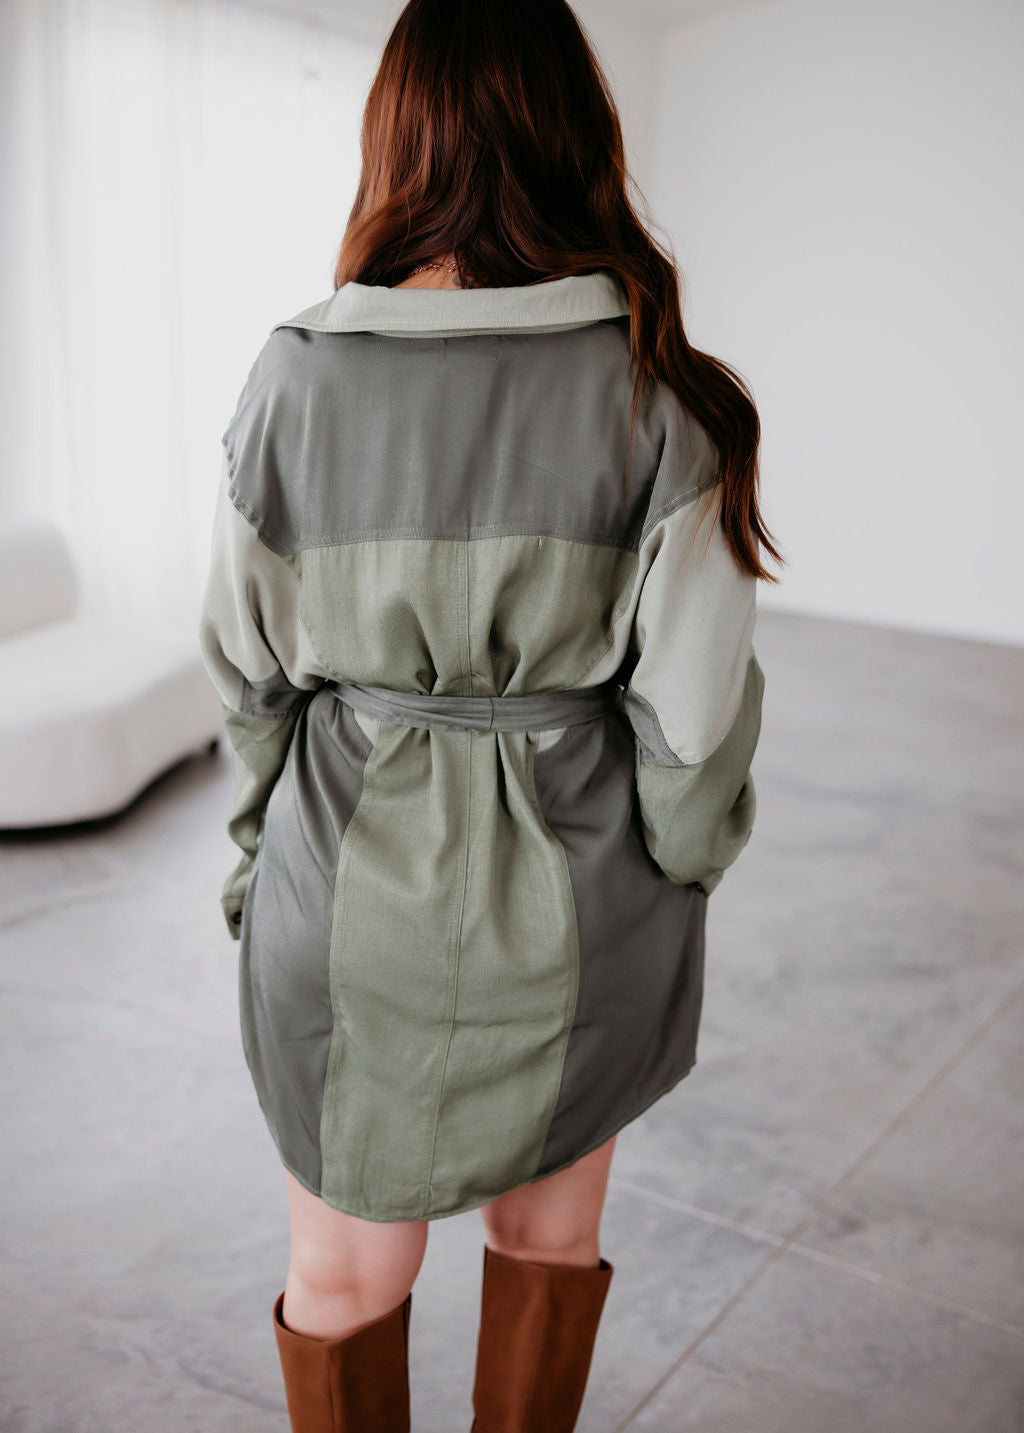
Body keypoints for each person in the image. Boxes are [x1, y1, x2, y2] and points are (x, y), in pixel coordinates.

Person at [198, 0, 781, 1428]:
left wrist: (258, 863)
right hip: (583, 911)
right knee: (549, 1247)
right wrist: (678, 871)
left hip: (343, 905)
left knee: (338, 1281)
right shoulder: (665, 391)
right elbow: (695, 724)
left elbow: (248, 675)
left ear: (396, 139)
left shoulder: (295, 379)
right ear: (580, 138)